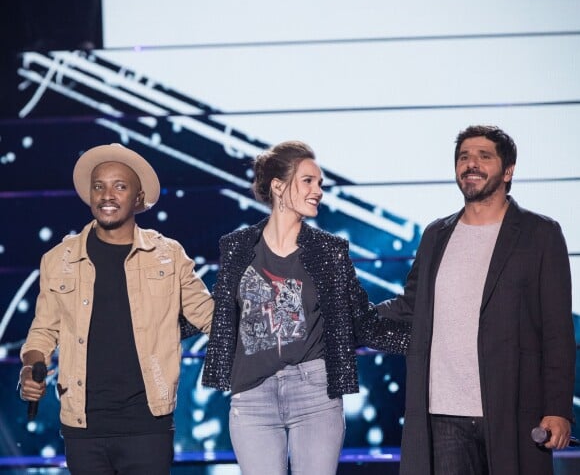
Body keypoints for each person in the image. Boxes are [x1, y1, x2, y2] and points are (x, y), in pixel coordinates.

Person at [202, 140, 410, 475]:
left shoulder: (330, 251)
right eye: (308, 181)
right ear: (278, 186)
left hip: (314, 392)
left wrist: (426, 341)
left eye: (320, 184)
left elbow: (364, 322)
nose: (318, 191)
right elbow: (219, 315)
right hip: (252, 396)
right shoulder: (236, 247)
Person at [378, 125, 575, 475]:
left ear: (508, 170)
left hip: (512, 409)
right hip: (443, 415)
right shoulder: (436, 234)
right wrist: (352, 317)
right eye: (464, 157)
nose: (472, 164)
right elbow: (411, 306)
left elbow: (558, 331)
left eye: (484, 156)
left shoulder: (540, 234)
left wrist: (558, 408)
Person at [19, 143, 214, 475]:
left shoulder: (168, 255)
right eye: (99, 186)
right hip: (83, 425)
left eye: (119, 186)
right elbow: (42, 332)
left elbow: (211, 318)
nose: (107, 195)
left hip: (147, 423)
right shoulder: (59, 260)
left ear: (137, 198)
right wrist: (30, 367)